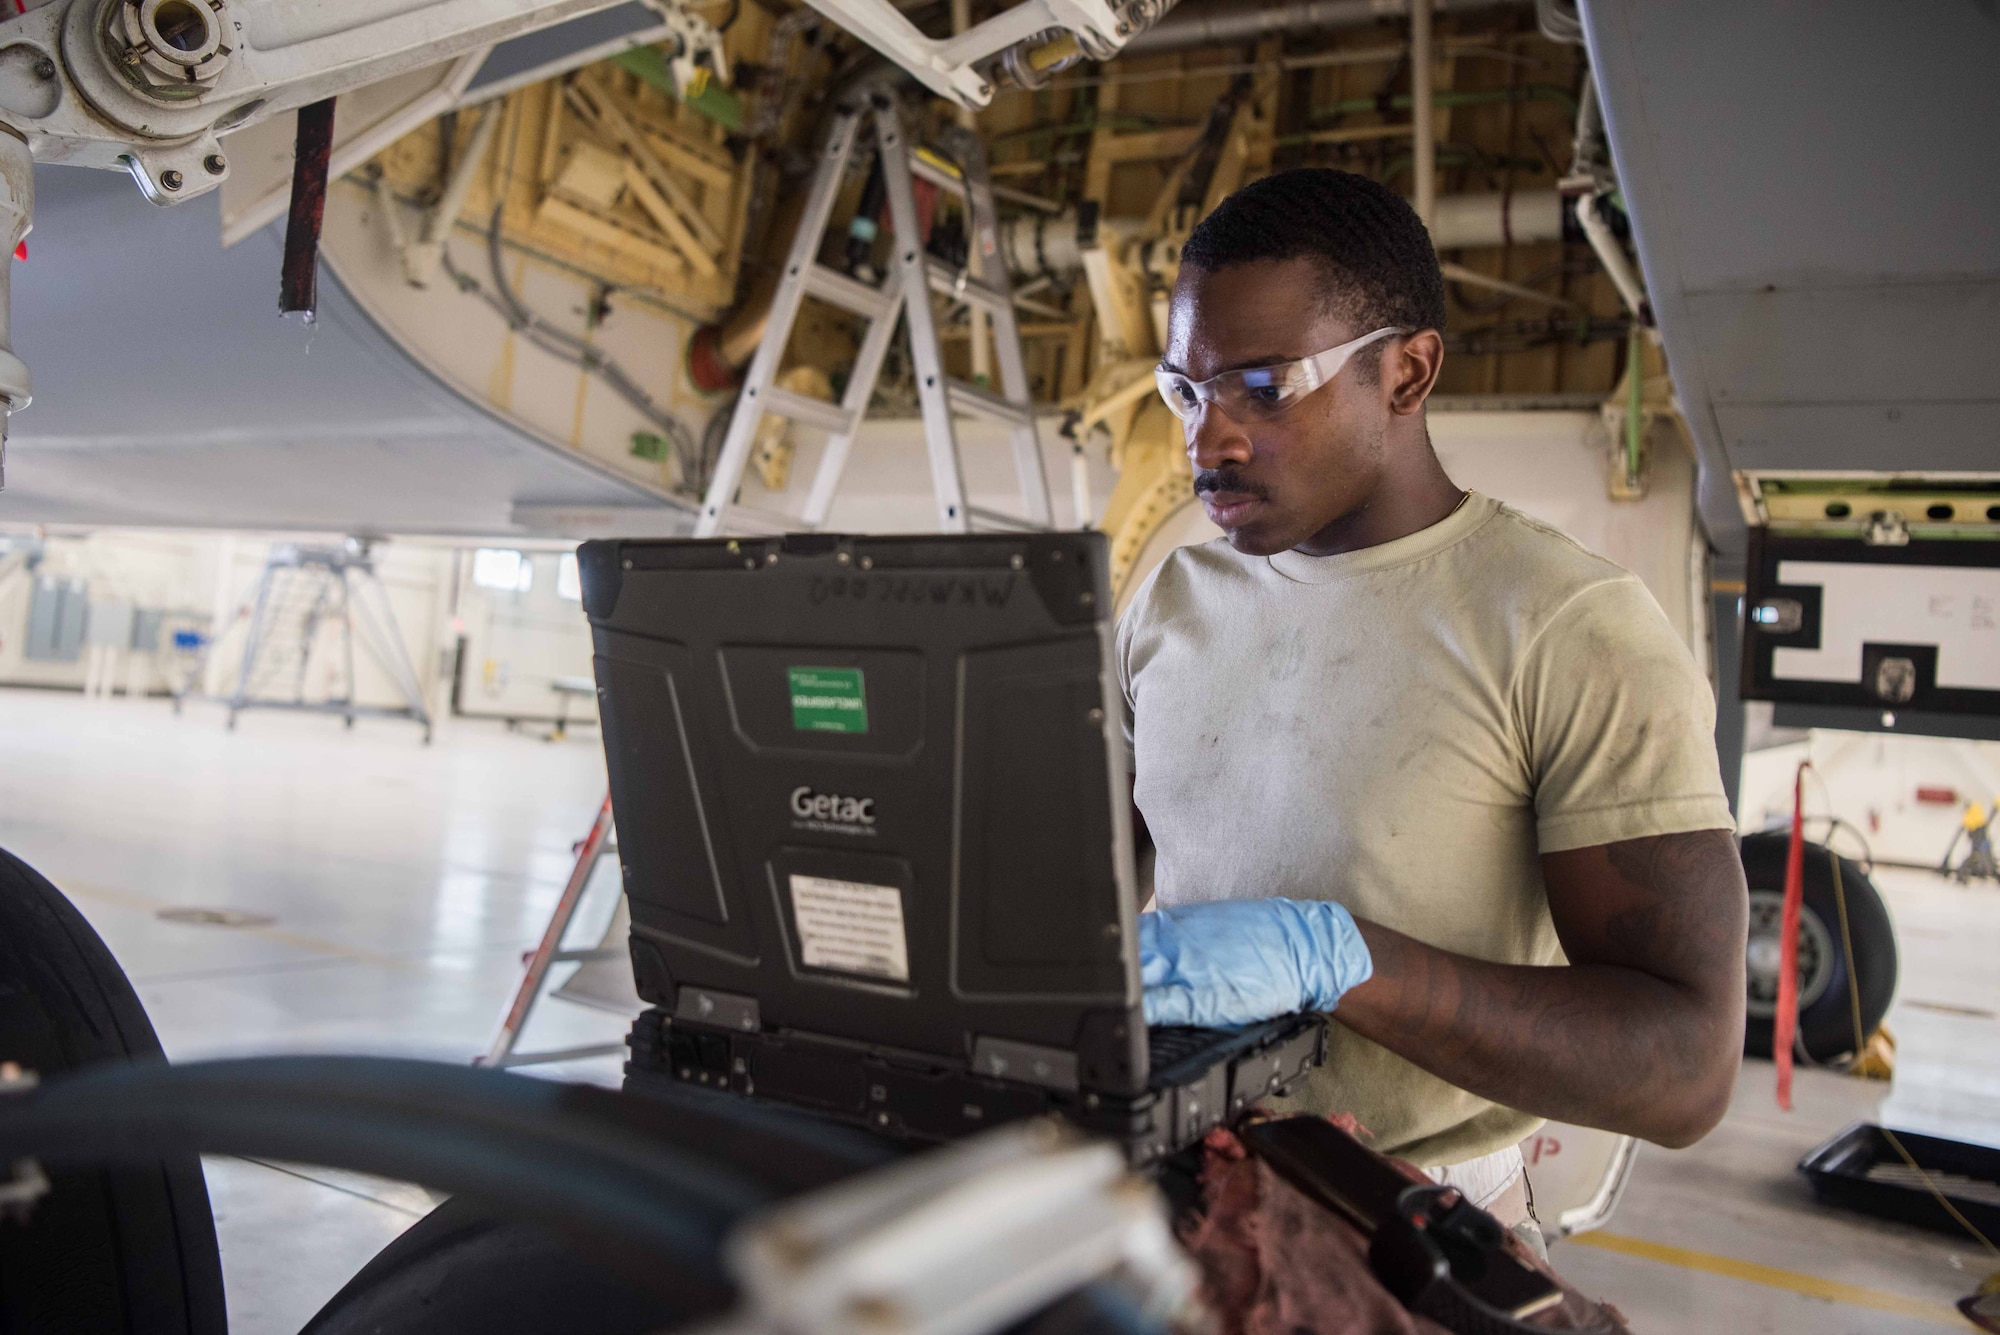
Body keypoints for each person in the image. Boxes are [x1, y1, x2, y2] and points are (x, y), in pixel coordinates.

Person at [1123, 169, 1748, 1246]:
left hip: (1415, 1230)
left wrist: (1343, 959)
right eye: (1185, 390)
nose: (1207, 441)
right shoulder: (1175, 599)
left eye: (1262, 387)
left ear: (1405, 373)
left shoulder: (1566, 627)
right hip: (1191, 1198)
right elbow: (1093, 886)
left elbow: (1683, 1070)